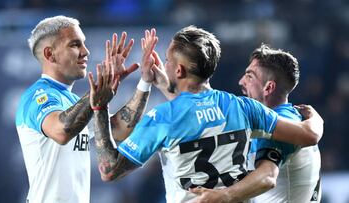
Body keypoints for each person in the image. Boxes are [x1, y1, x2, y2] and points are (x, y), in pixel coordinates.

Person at [89, 26, 323, 203]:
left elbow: (110, 170)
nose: (166, 64)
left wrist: (100, 107)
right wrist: (317, 118)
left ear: (179, 70)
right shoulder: (243, 107)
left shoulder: (161, 118)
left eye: (168, 60)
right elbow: (308, 135)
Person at [15, 15, 152, 203]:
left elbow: (118, 130)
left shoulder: (72, 100)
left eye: (84, 44)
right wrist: (96, 95)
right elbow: (61, 131)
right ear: (50, 54)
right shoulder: (36, 96)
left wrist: (145, 83)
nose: (85, 52)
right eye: (74, 45)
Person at [187, 45, 322, 203]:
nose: (241, 81)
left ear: (268, 87)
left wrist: (222, 196)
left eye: (249, 76)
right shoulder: (278, 122)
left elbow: (267, 177)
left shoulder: (283, 124)